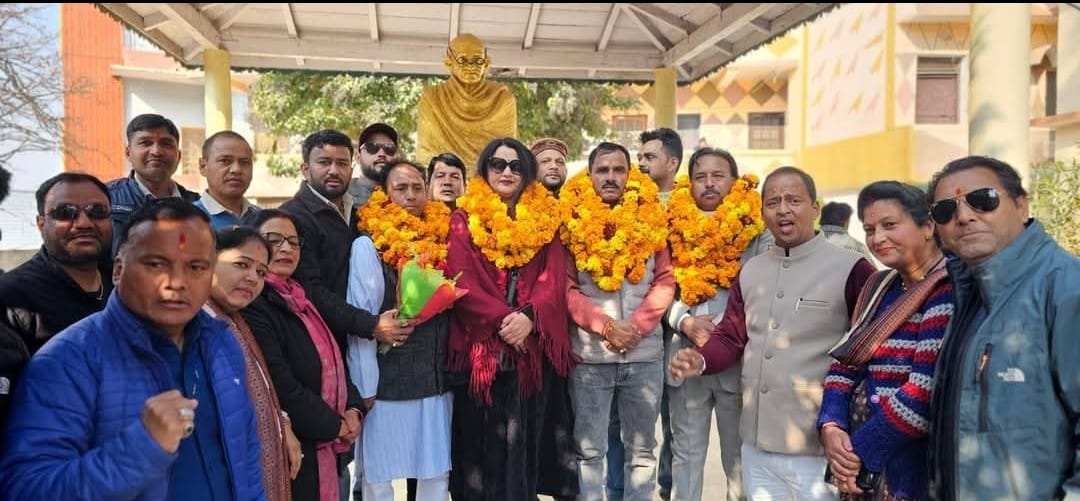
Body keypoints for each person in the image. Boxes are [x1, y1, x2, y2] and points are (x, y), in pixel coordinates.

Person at [0, 198, 264, 500]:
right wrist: (143, 447)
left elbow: (246, 457)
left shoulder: (223, 343)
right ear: (118, 271)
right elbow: (26, 489)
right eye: (156, 264)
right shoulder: (66, 361)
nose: (177, 282)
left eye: (196, 267)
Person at [670, 166, 876, 501]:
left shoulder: (852, 268)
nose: (783, 210)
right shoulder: (751, 271)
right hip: (757, 447)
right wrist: (701, 360)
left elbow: (869, 349)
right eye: (773, 202)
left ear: (815, 208)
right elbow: (731, 337)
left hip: (818, 447)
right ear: (762, 212)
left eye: (794, 200)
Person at [927, 156, 1080, 499]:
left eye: (983, 200)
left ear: (1022, 206)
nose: (964, 216)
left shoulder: (1066, 288)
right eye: (945, 210)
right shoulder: (969, 292)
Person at [445, 137, 576, 501]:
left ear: (527, 173)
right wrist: (507, 322)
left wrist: (530, 318)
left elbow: (554, 277)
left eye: (516, 166)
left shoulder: (546, 218)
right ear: (485, 170)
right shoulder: (463, 219)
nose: (507, 172)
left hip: (529, 353)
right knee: (479, 449)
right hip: (482, 352)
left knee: (524, 441)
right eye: (498, 164)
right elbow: (461, 280)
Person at [816, 181, 954, 500]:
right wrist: (832, 425)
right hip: (862, 465)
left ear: (928, 226)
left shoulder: (946, 288)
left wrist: (858, 454)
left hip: (908, 472)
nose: (877, 238)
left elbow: (924, 391)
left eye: (890, 225)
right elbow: (846, 361)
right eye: (869, 229)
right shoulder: (879, 287)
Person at [562, 141, 675, 501]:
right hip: (591, 359)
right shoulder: (570, 221)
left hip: (644, 357)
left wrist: (636, 327)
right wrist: (606, 326)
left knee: (641, 452)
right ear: (590, 175)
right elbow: (566, 290)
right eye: (602, 170)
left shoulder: (651, 219)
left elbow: (665, 280)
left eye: (618, 170)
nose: (610, 177)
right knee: (589, 450)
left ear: (629, 175)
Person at [665, 148, 770, 501]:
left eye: (718, 176)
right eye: (700, 177)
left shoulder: (756, 228)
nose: (709, 183)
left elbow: (765, 289)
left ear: (735, 182)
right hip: (684, 357)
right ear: (689, 183)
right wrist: (685, 321)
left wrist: (725, 329)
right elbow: (658, 288)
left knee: (737, 458)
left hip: (738, 361)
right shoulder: (668, 225)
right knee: (686, 455)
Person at [350, 160, 454, 501]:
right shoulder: (369, 245)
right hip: (386, 386)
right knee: (379, 477)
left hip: (435, 383)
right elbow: (363, 320)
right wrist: (366, 387)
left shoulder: (442, 238)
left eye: (417, 188)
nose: (411, 195)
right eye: (401, 188)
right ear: (384, 194)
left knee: (435, 473)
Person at [244, 209, 365, 501]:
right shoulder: (255, 304)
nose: (286, 248)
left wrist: (353, 407)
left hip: (327, 438)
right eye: (274, 239)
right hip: (295, 443)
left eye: (293, 241)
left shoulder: (301, 296)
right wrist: (334, 426)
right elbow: (280, 383)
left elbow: (333, 357)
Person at [0, 173, 113, 430]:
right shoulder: (12, 297)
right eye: (65, 212)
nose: (83, 223)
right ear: (41, 223)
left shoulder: (125, 287)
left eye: (97, 212)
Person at [205, 225, 304, 501]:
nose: (252, 278)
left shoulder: (232, 319)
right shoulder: (194, 325)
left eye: (261, 272)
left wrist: (281, 423)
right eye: (241, 264)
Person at [416, 34, 517, 169]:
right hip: (446, 177)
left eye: (478, 60)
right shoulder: (433, 98)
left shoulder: (502, 99)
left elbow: (508, 154)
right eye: (462, 60)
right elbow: (426, 153)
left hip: (488, 179)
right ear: (448, 62)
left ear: (486, 63)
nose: (471, 66)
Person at [107, 113, 200, 253]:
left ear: (179, 155)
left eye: (166, 144)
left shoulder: (197, 205)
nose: (156, 151)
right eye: (145, 143)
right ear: (128, 153)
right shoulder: (108, 199)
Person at [194, 131, 260, 228]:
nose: (236, 169)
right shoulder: (187, 220)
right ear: (203, 166)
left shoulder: (263, 220)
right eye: (225, 161)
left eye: (244, 162)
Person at [349, 123, 400, 207]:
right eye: (372, 147)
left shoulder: (407, 194)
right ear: (357, 157)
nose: (381, 154)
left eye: (389, 148)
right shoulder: (343, 193)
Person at [637, 128, 683, 205]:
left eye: (649, 157)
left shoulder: (694, 202)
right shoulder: (630, 198)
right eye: (639, 158)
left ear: (672, 164)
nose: (640, 164)